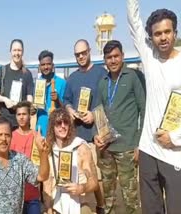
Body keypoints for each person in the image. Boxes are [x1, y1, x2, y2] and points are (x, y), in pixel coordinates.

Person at [127, 0, 181, 213]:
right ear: (151, 37)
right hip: (149, 150)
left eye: (167, 31)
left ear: (175, 32)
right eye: (158, 33)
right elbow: (134, 22)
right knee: (151, 209)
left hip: (175, 152)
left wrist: (175, 138)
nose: (163, 37)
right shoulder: (149, 56)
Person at [94, 40, 145, 214]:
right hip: (106, 148)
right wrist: (96, 136)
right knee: (108, 195)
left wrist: (139, 142)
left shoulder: (133, 77)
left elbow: (143, 109)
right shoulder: (102, 82)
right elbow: (97, 112)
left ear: (122, 56)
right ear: (105, 60)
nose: (113, 61)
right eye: (109, 57)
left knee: (130, 195)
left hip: (127, 147)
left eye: (116, 56)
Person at [64, 39, 107, 213]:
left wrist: (94, 115)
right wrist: (70, 110)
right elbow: (66, 100)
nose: (81, 56)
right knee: (82, 175)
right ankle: (84, 206)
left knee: (97, 176)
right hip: (77, 135)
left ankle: (101, 206)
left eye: (83, 53)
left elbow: (109, 100)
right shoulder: (72, 78)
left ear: (89, 51)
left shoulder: (101, 73)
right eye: (77, 54)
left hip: (96, 135)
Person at [42, 108, 98, 214]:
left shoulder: (81, 148)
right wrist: (49, 209)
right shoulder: (49, 151)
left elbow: (94, 182)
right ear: (52, 127)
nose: (63, 126)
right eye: (58, 123)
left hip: (80, 201)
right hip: (58, 203)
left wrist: (82, 188)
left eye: (66, 122)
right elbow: (47, 185)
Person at [0, 39, 34, 128]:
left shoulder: (27, 73)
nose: (17, 53)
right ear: (10, 51)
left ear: (23, 52)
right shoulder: (2, 70)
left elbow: (29, 96)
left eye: (19, 50)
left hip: (21, 123)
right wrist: (5, 100)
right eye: (14, 50)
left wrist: (26, 106)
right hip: (5, 121)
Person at [10, 101, 41, 214]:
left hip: (32, 194)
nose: (21, 117)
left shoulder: (36, 136)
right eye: (19, 114)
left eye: (24, 114)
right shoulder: (10, 136)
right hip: (14, 195)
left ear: (29, 116)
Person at [36, 50, 66, 137]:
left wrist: (57, 100)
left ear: (53, 65)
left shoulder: (62, 83)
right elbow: (35, 107)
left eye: (48, 64)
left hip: (57, 129)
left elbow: (66, 109)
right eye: (43, 65)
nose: (46, 67)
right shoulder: (37, 84)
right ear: (39, 66)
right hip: (41, 129)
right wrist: (33, 110)